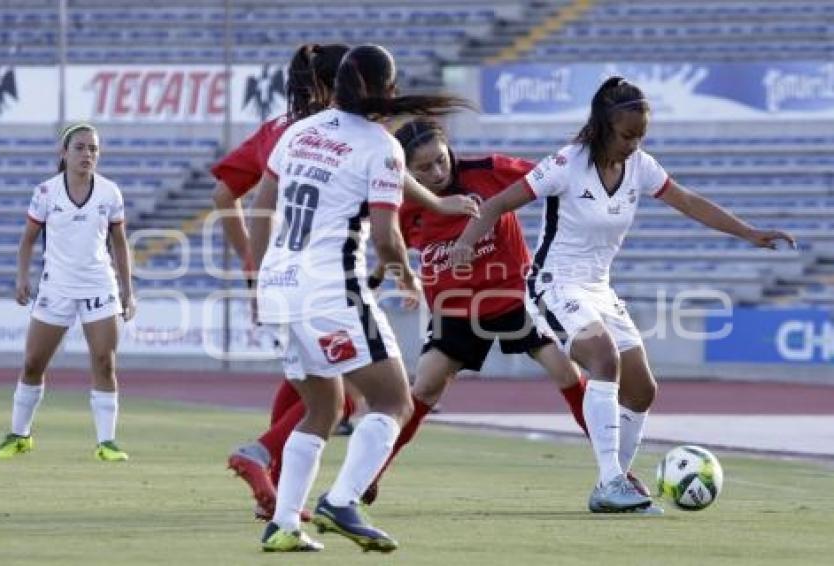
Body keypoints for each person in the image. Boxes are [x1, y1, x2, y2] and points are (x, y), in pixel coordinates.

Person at [452, 76, 797, 514]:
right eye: (627, 134)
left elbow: (688, 201)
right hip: (555, 282)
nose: (634, 144)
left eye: (641, 136)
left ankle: (616, 483)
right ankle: (611, 480)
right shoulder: (566, 163)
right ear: (602, 126)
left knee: (641, 390)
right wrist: (465, 243)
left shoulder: (641, 166)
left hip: (599, 287)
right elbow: (498, 204)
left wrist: (749, 232)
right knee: (603, 358)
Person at [213, 43, 477, 522]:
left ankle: (284, 523)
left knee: (325, 405)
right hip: (331, 287)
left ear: (334, 87)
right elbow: (386, 235)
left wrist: (257, 280)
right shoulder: (380, 145)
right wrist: (407, 278)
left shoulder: (297, 132)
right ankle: (340, 501)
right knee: (394, 400)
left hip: (281, 283)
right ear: (388, 90)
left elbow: (260, 207)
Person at [360, 119, 590, 506]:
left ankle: (616, 469)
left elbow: (550, 177)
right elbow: (390, 241)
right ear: (406, 170)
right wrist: (382, 276)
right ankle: (370, 473)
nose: (437, 172)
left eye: (441, 160)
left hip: (513, 296)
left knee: (565, 370)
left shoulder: (489, 172)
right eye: (424, 168)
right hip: (455, 308)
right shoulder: (404, 201)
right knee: (424, 387)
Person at [0, 123, 136, 462]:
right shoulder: (46, 192)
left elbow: (120, 243)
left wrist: (129, 290)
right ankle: (19, 434)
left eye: (93, 149)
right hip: (56, 286)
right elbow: (27, 239)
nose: (88, 154)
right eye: (81, 147)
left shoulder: (110, 193)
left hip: (99, 285)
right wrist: (22, 277)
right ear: (64, 153)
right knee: (32, 363)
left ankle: (106, 442)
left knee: (104, 361)